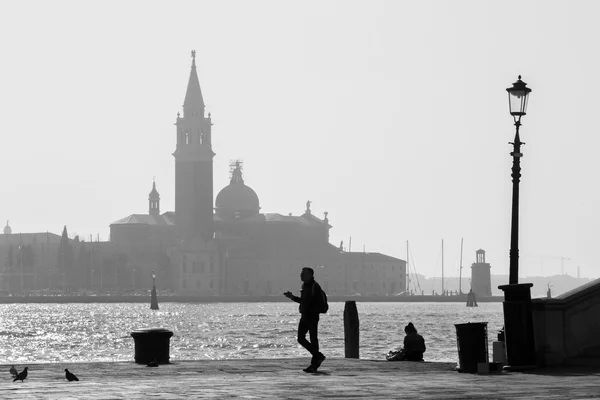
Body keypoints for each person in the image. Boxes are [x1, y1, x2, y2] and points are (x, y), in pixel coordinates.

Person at [284, 267, 326, 373]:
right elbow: (303, 301)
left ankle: (314, 364)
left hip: (312, 316)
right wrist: (292, 297)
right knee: (301, 339)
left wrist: (311, 309)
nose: (301, 275)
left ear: (310, 275)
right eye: (301, 273)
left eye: (303, 274)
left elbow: (320, 303)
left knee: (313, 339)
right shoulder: (305, 286)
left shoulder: (315, 286)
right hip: (304, 316)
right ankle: (318, 356)